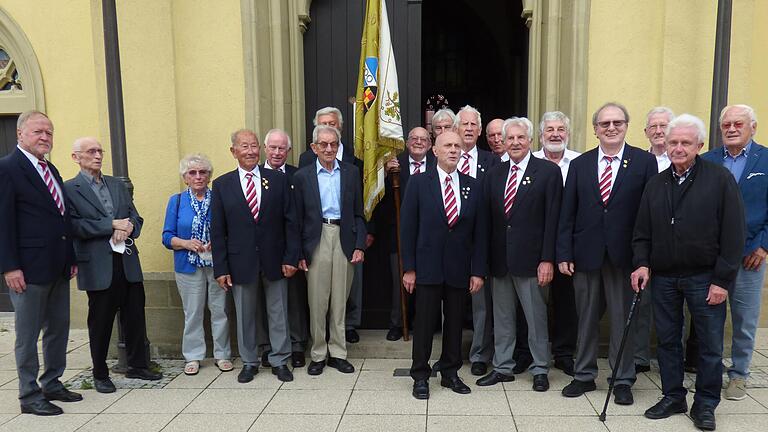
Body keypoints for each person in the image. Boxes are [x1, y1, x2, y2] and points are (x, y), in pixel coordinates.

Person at [632, 114, 745, 431]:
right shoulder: (655, 184)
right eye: (673, 142)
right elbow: (641, 232)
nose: (678, 148)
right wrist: (641, 263)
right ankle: (673, 396)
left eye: (685, 142)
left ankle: (706, 404)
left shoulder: (719, 179)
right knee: (668, 341)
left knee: (709, 346)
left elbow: (733, 234)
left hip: (705, 278)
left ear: (699, 145)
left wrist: (722, 280)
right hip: (664, 277)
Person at [557, 102, 657, 405]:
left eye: (617, 122)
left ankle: (623, 379)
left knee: (621, 318)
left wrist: (643, 260)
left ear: (626, 125)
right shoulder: (580, 164)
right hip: (586, 255)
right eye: (604, 124)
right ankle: (584, 375)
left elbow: (647, 216)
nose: (611, 128)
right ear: (595, 129)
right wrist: (564, 252)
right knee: (585, 318)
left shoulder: (643, 163)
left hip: (625, 257)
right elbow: (567, 213)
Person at [66, 137, 163, 392]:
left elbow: (135, 216)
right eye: (91, 151)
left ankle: (138, 366)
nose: (98, 155)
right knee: (100, 321)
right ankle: (100, 373)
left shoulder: (116, 185)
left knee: (134, 315)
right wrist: (110, 225)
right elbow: (73, 225)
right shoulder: (69, 189)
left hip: (127, 260)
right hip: (98, 265)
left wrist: (129, 227)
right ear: (76, 157)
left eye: (100, 151)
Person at [0, 111, 80, 416]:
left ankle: (53, 382)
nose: (45, 137)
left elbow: (63, 218)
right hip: (27, 269)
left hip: (58, 265)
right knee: (28, 332)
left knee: (58, 328)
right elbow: (3, 222)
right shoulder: (7, 169)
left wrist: (70, 256)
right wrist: (9, 266)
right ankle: (29, 393)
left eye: (49, 132)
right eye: (38, 132)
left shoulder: (51, 169)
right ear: (20, 133)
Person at [476, 117, 562, 392]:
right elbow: (487, 221)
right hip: (500, 261)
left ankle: (539, 368)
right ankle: (503, 367)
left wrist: (547, 259)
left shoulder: (548, 172)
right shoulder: (494, 174)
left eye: (519, 138)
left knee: (536, 318)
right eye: (509, 138)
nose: (514, 143)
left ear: (530, 141)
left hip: (533, 260)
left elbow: (553, 221)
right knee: (502, 318)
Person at [401, 131, 487, 400]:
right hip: (426, 266)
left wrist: (478, 270)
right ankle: (420, 375)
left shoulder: (473, 185)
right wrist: (409, 268)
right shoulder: (418, 183)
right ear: (434, 151)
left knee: (454, 324)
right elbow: (408, 228)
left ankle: (450, 372)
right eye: (447, 145)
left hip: (459, 267)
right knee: (425, 324)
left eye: (457, 146)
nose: (453, 150)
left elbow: (480, 233)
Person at [210, 129, 298, 383]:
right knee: (245, 314)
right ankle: (249, 361)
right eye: (244, 146)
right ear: (233, 151)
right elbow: (218, 231)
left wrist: (291, 257)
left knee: (278, 311)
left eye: (254, 146)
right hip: (240, 262)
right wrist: (221, 269)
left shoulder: (278, 180)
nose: (250, 151)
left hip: (275, 259)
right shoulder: (222, 185)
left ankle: (280, 360)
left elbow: (291, 222)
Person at [702, 104, 768, 401]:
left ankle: (739, 374)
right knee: (709, 316)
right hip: (711, 255)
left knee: (744, 318)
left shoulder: (766, 160)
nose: (730, 129)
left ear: (752, 127)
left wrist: (764, 245)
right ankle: (710, 374)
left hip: (749, 254)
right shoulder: (707, 161)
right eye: (726, 124)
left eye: (738, 124)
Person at [293, 125, 367, 375]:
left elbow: (359, 213)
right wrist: (299, 253)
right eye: (323, 144)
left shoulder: (351, 173)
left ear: (338, 146)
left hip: (344, 236)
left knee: (339, 299)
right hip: (316, 238)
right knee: (317, 299)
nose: (328, 149)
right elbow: (297, 219)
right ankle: (318, 354)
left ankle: (338, 352)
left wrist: (359, 244)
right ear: (313, 148)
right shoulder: (302, 177)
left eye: (333, 144)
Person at [162, 153, 232, 376]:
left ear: (210, 176)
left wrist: (219, 242)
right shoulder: (177, 201)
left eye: (203, 172)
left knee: (220, 310)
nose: (198, 177)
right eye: (193, 173)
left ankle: (222, 354)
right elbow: (166, 237)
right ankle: (193, 356)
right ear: (185, 177)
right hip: (188, 266)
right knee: (192, 313)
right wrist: (185, 243)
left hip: (216, 265)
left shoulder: (219, 198)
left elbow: (231, 231)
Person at [531, 111, 581, 376]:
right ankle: (527, 352)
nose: (555, 134)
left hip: (566, 244)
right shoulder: (531, 162)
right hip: (534, 244)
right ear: (540, 136)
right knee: (531, 301)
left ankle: (563, 353)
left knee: (565, 300)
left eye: (560, 129)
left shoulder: (579, 163)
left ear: (568, 134)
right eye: (549, 129)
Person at [256, 128, 309, 368]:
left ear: (289, 151)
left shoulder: (297, 176)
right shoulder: (254, 175)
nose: (277, 152)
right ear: (265, 149)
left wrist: (297, 253)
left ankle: (297, 345)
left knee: (294, 299)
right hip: (262, 251)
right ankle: (267, 347)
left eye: (282, 148)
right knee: (264, 302)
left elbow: (303, 216)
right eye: (273, 148)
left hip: (292, 248)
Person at [380, 126, 436, 341]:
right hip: (401, 234)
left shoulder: (437, 164)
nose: (419, 142)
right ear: (406, 142)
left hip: (431, 235)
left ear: (430, 145)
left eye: (424, 139)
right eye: (414, 138)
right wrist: (385, 174)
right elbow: (380, 199)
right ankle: (398, 323)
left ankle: (423, 323)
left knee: (426, 282)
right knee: (400, 280)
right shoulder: (395, 166)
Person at [455, 105, 498, 376]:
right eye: (464, 124)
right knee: (451, 301)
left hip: (482, 241)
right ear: (455, 129)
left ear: (480, 131)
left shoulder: (493, 162)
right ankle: (451, 353)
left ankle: (480, 353)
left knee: (482, 303)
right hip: (452, 242)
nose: (469, 129)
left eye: (473, 125)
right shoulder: (446, 157)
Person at [632, 107, 675, 374]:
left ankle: (672, 357)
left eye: (664, 126)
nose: (658, 131)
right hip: (646, 243)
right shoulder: (638, 162)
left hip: (677, 246)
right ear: (646, 132)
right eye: (653, 127)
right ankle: (639, 358)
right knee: (642, 302)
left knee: (674, 305)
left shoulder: (686, 161)